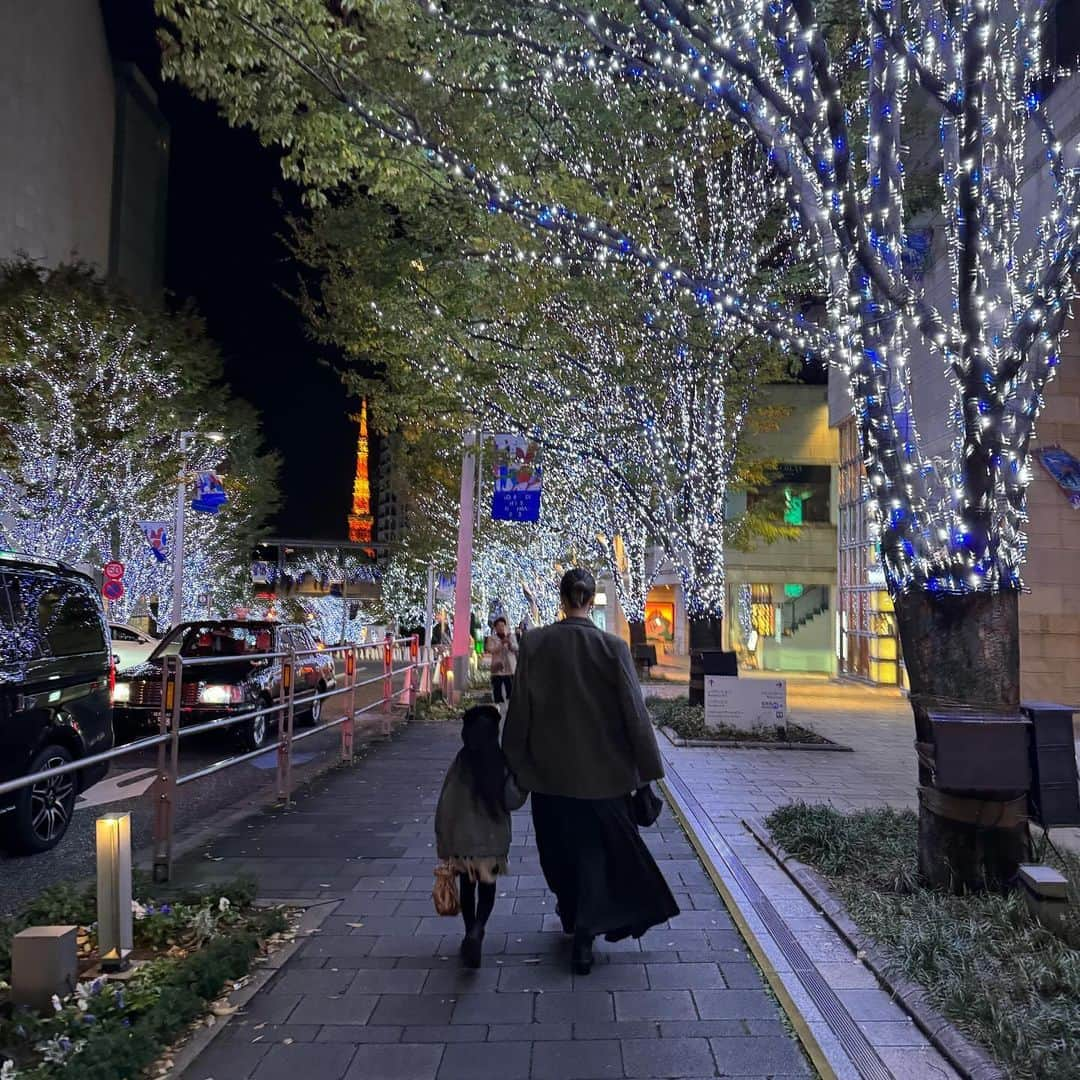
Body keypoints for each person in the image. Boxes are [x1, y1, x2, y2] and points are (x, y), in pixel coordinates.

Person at [503, 568, 678, 975]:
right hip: (606, 779)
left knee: (558, 852)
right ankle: (585, 930)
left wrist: (513, 759)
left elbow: (520, 710)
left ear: (561, 598)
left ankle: (572, 914)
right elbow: (635, 716)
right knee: (594, 855)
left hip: (550, 777)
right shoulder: (612, 648)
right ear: (590, 599)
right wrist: (646, 776)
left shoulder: (535, 644)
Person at [435, 704, 527, 968]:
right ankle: (478, 929)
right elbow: (511, 800)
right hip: (491, 841)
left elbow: (446, 805)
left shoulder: (460, 764)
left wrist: (443, 840)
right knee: (488, 889)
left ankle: (468, 930)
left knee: (467, 887)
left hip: (463, 841)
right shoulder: (499, 762)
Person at [485, 616, 518, 705]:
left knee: (510, 691)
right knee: (497, 690)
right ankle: (498, 708)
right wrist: (501, 643)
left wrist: (510, 644)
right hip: (497, 667)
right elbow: (490, 649)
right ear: (495, 628)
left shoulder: (511, 636)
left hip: (509, 667)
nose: (501, 628)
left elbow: (516, 648)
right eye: (499, 626)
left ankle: (510, 709)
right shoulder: (491, 638)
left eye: (503, 625)